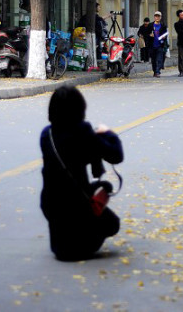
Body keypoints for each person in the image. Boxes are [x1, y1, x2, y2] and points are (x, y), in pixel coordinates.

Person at [39, 86, 123, 261]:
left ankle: (66, 237)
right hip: (77, 207)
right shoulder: (83, 133)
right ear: (80, 109)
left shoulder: (46, 135)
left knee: (95, 188)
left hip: (51, 205)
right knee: (112, 224)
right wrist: (107, 133)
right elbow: (116, 155)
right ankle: (85, 239)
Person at [147, 11, 169, 78]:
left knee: (159, 59)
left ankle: (157, 72)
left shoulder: (163, 26)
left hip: (160, 45)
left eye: (158, 16)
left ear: (160, 17)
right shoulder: (150, 25)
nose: (157, 17)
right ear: (154, 17)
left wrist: (164, 37)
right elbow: (146, 34)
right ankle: (155, 71)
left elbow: (166, 34)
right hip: (152, 45)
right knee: (153, 60)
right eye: (156, 16)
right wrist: (149, 35)